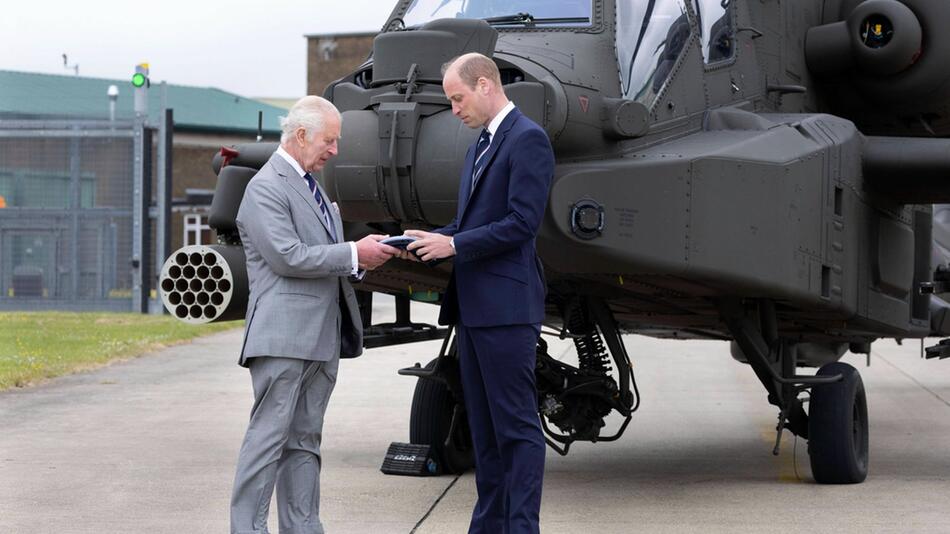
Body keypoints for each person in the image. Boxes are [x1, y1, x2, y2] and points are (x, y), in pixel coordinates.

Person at [230, 95, 397, 534]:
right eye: (330, 140)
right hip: (283, 338)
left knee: (305, 442)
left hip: (320, 339)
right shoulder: (266, 187)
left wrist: (363, 259)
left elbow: (321, 255)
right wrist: (350, 252)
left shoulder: (309, 186)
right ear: (301, 135)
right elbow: (287, 256)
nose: (335, 150)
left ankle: (303, 528)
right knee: (267, 440)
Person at [404, 53, 555, 534]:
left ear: (486, 85)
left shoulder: (527, 139)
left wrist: (455, 242)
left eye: (457, 98)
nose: (454, 110)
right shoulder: (481, 146)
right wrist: (426, 240)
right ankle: (489, 526)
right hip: (473, 309)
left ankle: (521, 527)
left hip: (507, 309)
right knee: (486, 432)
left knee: (516, 428)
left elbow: (521, 224)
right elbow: (472, 224)